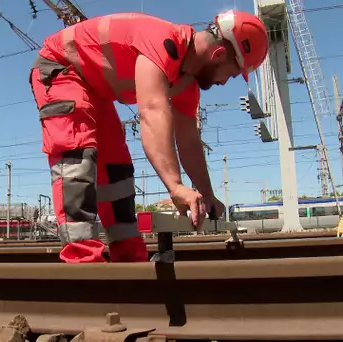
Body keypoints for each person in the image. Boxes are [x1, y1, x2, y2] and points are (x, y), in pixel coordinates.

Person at [28, 9, 269, 263]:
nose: (225, 82)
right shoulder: (165, 41)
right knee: (77, 154)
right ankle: (83, 262)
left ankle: (129, 257)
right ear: (218, 54)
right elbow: (152, 112)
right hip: (61, 68)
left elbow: (188, 141)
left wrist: (207, 195)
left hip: (93, 87)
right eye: (231, 74)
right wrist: (175, 187)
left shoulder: (186, 83)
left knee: (116, 169)